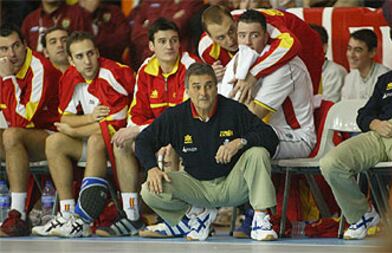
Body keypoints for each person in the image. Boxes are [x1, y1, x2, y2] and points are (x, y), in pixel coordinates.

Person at [136, 62, 279, 241]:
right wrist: (151, 168)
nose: (203, 93)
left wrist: (240, 142)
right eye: (196, 87)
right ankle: (198, 215)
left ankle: (260, 220)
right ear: (187, 90)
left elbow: (270, 136)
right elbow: (143, 141)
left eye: (208, 86)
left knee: (258, 152)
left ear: (216, 87)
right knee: (149, 189)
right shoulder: (175, 116)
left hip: (232, 184)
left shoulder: (233, 110)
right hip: (196, 186)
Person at [30, 31, 139, 238]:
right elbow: (65, 119)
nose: (87, 61)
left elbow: (113, 126)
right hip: (95, 140)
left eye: (90, 54)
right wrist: (87, 120)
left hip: (123, 141)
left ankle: (83, 219)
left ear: (97, 53)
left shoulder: (114, 74)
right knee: (54, 142)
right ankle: (68, 214)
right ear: (71, 60)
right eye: (79, 57)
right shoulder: (70, 77)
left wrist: (73, 131)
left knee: (98, 139)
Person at [96, 18, 198, 237]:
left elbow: (186, 116)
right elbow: (136, 114)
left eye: (173, 40)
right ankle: (132, 216)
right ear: (152, 46)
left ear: (180, 43)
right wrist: (142, 132)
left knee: (171, 149)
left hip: (191, 135)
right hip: (156, 133)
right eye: (162, 41)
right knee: (121, 144)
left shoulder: (191, 67)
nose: (169, 46)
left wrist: (146, 132)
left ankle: (172, 218)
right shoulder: (146, 69)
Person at [220, 10, 315, 238]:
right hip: (261, 132)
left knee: (252, 146)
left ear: (266, 36)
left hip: (295, 137)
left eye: (254, 35)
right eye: (242, 35)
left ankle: (260, 217)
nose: (247, 42)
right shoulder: (237, 62)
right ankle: (197, 214)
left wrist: (227, 136)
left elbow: (254, 115)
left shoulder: (286, 66)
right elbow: (222, 108)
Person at [320, 19, 392, 240]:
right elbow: (364, 114)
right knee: (331, 162)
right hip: (379, 133)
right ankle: (362, 216)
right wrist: (376, 124)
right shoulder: (388, 79)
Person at [0, 24, 61, 237]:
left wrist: (8, 79)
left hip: (53, 137)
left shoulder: (39, 68)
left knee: (12, 135)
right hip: (19, 137)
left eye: (16, 46)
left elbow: (21, 120)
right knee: (10, 136)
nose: (11, 54)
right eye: (4, 49)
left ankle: (17, 215)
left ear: (26, 45)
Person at [198, 5, 324, 103]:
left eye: (231, 30)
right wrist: (211, 75)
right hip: (278, 47)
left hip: (306, 47)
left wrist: (254, 75)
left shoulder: (262, 24)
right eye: (221, 38)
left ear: (235, 21)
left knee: (309, 102)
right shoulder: (206, 50)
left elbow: (291, 45)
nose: (230, 40)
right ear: (210, 37)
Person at [341, 29, 390, 100]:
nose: (351, 55)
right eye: (349, 49)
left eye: (358, 50)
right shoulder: (350, 78)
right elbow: (344, 107)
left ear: (372, 52)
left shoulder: (386, 77)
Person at [310, 24, 347, 104]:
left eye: (311, 45)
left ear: (324, 47)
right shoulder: (300, 71)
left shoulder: (335, 72)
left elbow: (327, 107)